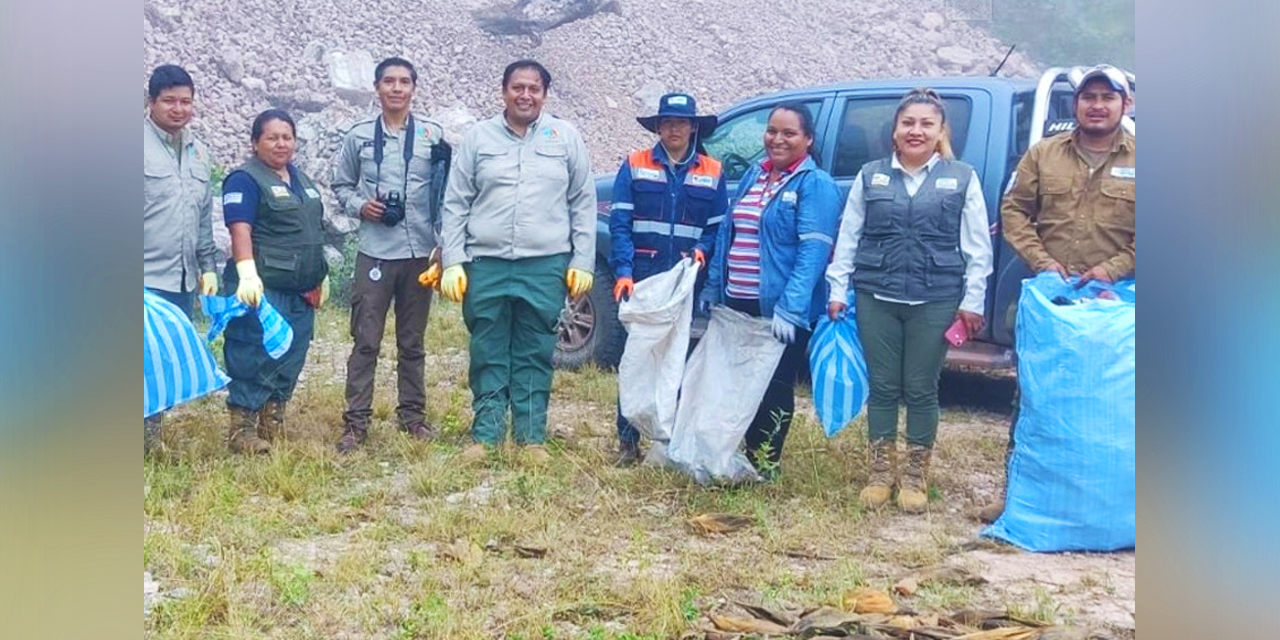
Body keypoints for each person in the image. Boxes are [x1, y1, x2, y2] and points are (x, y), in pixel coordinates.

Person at [978, 64, 1135, 522]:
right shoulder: (1043, 155)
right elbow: (1014, 210)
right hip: (1051, 298)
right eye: (1089, 97)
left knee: (1111, 403)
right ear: (1076, 104)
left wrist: (1113, 269)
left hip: (1117, 302)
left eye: (1109, 97)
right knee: (1034, 395)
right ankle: (1018, 496)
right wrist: (1043, 262)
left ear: (1125, 105)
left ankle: (1112, 504)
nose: (1098, 105)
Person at [825, 88, 993, 513]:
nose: (916, 131)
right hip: (875, 296)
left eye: (926, 124)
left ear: (940, 132)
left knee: (920, 388)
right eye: (908, 123)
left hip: (936, 298)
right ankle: (881, 473)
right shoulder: (871, 175)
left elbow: (977, 247)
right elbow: (849, 237)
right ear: (895, 131)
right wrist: (837, 290)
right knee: (882, 387)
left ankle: (916, 475)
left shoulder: (962, 177)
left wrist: (972, 300)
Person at [438, 60, 596, 465]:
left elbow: (582, 202)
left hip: (544, 264)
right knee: (488, 346)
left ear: (545, 94)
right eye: (517, 87)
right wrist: (454, 260)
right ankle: (486, 435)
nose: (525, 95)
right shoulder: (478, 138)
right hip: (486, 262)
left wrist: (583, 260)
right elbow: (456, 202)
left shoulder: (566, 138)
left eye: (534, 88)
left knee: (534, 348)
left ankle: (531, 439)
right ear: (503, 91)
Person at [699, 102, 841, 479]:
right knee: (738, 382)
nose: (777, 140)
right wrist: (715, 286)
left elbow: (814, 251)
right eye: (772, 131)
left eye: (789, 133)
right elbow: (729, 234)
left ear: (808, 140)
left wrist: (791, 309)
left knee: (773, 386)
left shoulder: (816, 185)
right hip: (737, 302)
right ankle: (734, 455)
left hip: (778, 309)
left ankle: (766, 462)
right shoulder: (754, 175)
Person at [330, 57, 451, 453]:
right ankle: (356, 423)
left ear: (414, 88)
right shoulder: (359, 136)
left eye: (404, 82)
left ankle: (413, 416)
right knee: (365, 339)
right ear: (377, 88)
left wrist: (444, 244)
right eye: (389, 81)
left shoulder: (434, 136)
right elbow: (341, 183)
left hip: (420, 252)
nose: (397, 88)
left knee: (412, 341)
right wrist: (361, 206)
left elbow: (448, 190)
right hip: (376, 251)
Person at [607, 92, 727, 466]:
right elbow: (620, 224)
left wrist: (703, 253)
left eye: (681, 122)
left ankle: (667, 438)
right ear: (658, 127)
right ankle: (627, 441)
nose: (674, 129)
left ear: (693, 127)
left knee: (677, 358)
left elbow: (717, 230)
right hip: (643, 278)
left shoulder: (713, 171)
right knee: (638, 357)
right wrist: (624, 272)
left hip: (683, 283)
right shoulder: (635, 165)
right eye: (667, 123)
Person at [219, 109, 330, 454]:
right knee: (255, 351)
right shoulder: (245, 180)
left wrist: (320, 275)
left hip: (301, 290)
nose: (281, 143)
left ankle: (272, 419)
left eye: (287, 137)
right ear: (255, 142)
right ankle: (243, 430)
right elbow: (240, 228)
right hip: (264, 289)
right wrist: (247, 273)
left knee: (292, 353)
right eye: (272, 137)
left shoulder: (301, 179)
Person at [143, 63, 218, 453]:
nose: (178, 108)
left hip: (182, 279)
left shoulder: (199, 151)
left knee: (163, 363)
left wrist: (208, 268)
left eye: (185, 101)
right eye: (169, 100)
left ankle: (149, 440)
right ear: (150, 101)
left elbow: (204, 217)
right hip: (143, 278)